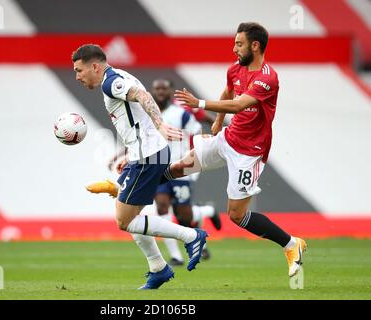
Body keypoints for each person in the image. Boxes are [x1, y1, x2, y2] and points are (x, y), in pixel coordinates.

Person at [171, 22, 307, 278]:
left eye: (239, 44)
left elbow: (238, 105)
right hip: (228, 138)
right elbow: (229, 91)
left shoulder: (268, 78)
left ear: (255, 46)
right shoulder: (235, 69)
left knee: (237, 215)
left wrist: (199, 103)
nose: (234, 49)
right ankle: (137, 183)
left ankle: (291, 244)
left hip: (250, 152)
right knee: (181, 165)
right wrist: (218, 120)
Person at [72, 44, 208, 289]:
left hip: (148, 157)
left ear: (94, 66)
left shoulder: (110, 82)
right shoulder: (121, 75)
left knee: (125, 220)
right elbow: (136, 114)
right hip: (144, 155)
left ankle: (191, 236)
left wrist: (160, 125)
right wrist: (132, 153)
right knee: (127, 211)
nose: (77, 77)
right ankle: (158, 268)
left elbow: (142, 97)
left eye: (79, 70)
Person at [96, 79, 222, 266]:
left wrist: (193, 158)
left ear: (170, 91)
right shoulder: (147, 114)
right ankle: (175, 256)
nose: (160, 92)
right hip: (155, 165)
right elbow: (142, 141)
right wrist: (125, 157)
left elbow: (197, 134)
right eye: (157, 89)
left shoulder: (181, 114)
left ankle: (207, 211)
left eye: (164, 88)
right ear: (152, 92)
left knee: (183, 215)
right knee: (162, 206)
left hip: (181, 168)